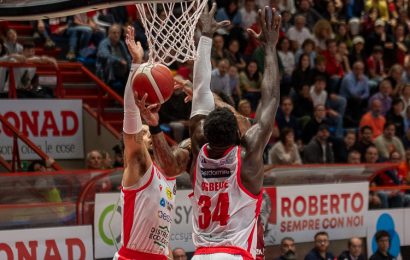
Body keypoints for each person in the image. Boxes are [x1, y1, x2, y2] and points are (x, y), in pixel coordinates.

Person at [188, 5, 281, 259]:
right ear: (239, 134)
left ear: (205, 133)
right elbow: (270, 99)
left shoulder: (197, 147)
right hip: (234, 253)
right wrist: (270, 48)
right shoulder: (247, 155)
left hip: (200, 253)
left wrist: (205, 37)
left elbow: (200, 91)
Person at [113, 26, 188, 260]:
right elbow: (130, 115)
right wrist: (136, 65)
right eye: (142, 131)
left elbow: (161, 229)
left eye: (147, 131)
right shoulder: (138, 162)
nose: (143, 133)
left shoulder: (169, 174)